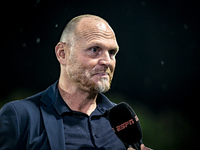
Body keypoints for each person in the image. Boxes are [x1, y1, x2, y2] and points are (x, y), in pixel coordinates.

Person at [0, 14, 151, 150]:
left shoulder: (122, 119)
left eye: (112, 52)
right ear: (62, 53)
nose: (107, 61)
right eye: (94, 49)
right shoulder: (20, 116)